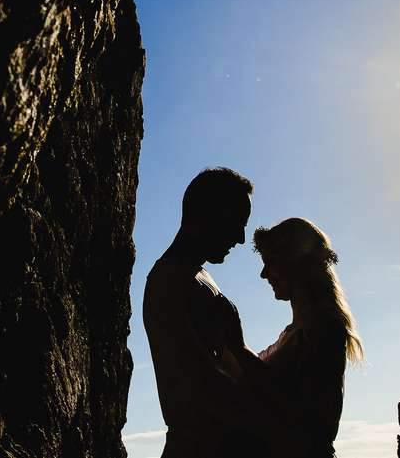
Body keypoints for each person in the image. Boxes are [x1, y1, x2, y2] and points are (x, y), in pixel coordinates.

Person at [143, 167, 283, 457]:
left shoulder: (199, 276)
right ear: (210, 215)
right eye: (237, 223)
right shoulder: (168, 280)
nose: (242, 238)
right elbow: (200, 383)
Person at [225, 217, 365, 458]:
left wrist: (237, 348)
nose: (263, 274)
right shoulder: (298, 332)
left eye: (270, 263)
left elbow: (301, 414)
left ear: (295, 264)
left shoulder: (324, 329)